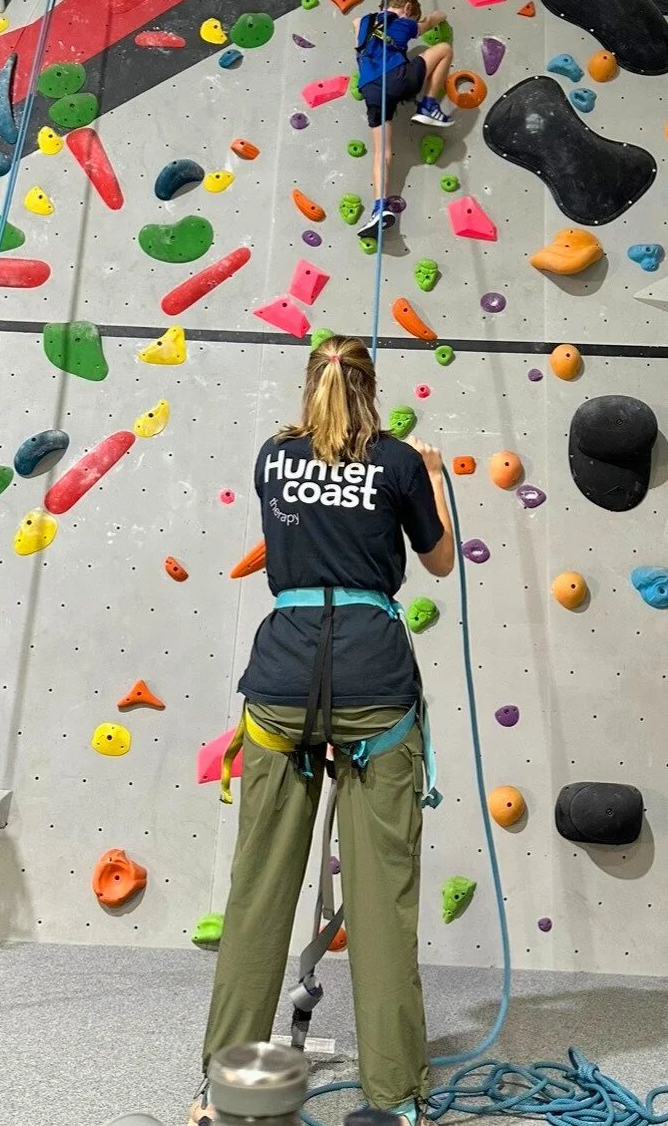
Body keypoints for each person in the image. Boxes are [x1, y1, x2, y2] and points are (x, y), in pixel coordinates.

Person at [195, 334, 455, 1126]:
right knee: (382, 903)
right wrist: (433, 476)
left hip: (280, 681)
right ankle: (392, 1102)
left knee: (256, 893)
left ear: (309, 383)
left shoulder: (272, 458)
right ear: (372, 388)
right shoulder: (401, 462)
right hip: (374, 685)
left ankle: (223, 1096)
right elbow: (438, 561)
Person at [354, 0, 455, 242]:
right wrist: (441, 15)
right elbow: (430, 21)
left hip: (370, 90)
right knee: (444, 49)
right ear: (408, 9)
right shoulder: (403, 23)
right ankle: (429, 105)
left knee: (381, 153)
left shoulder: (363, 24)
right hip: (396, 80)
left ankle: (379, 207)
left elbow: (356, 21)